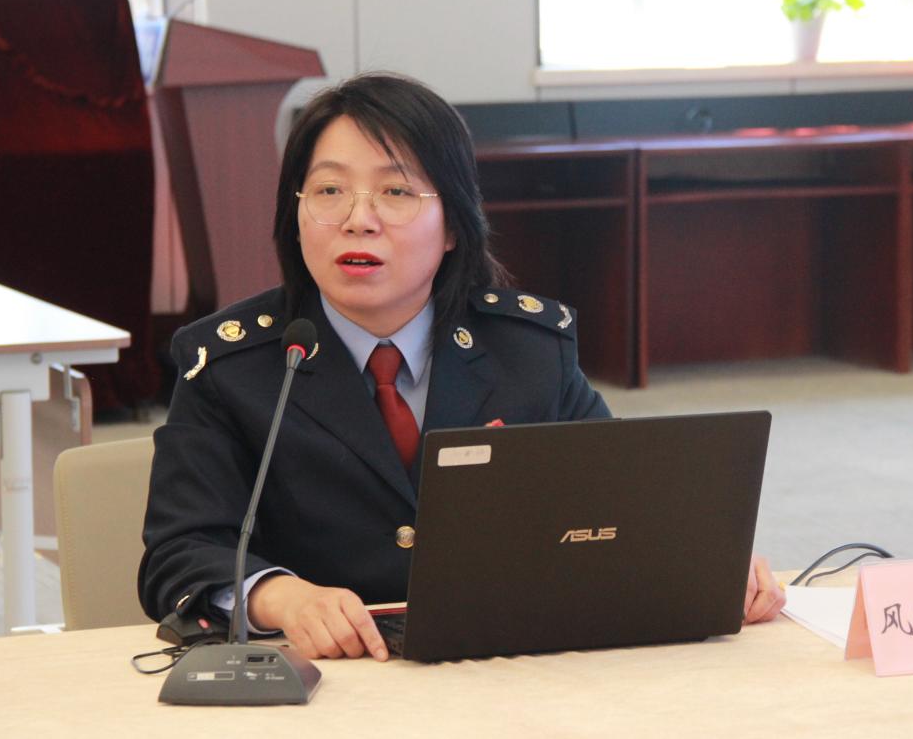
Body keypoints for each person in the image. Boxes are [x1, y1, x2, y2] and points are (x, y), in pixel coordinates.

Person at [138, 72, 785, 662]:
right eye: (329, 190)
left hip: (505, 669)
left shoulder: (529, 350)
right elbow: (178, 553)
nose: (358, 220)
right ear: (296, 214)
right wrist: (280, 596)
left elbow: (619, 503)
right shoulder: (230, 365)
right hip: (327, 682)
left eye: (395, 191)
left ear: (453, 225)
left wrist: (705, 561)